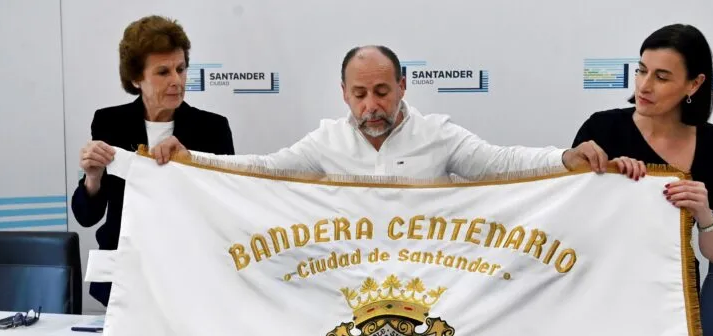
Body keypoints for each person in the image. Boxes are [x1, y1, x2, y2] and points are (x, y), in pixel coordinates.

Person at [151, 45, 645, 180]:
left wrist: (564, 159)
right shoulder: (326, 140)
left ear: (403, 87)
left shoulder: (438, 134)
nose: (372, 105)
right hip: (346, 285)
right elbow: (263, 167)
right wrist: (193, 160)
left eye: (382, 91)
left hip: (430, 286)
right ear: (344, 94)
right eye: (360, 94)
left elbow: (501, 163)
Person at [72, 15, 235, 306]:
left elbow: (227, 208)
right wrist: (93, 178)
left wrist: (193, 164)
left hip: (192, 277)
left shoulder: (213, 128)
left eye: (180, 69)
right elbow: (87, 217)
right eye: (163, 72)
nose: (176, 81)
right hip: (124, 277)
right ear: (136, 79)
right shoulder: (109, 122)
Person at [573, 24, 713, 265]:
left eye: (661, 77)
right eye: (641, 71)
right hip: (601, 275)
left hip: (671, 281)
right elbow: (571, 219)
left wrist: (704, 214)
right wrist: (607, 179)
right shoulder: (601, 129)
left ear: (694, 84)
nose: (644, 86)